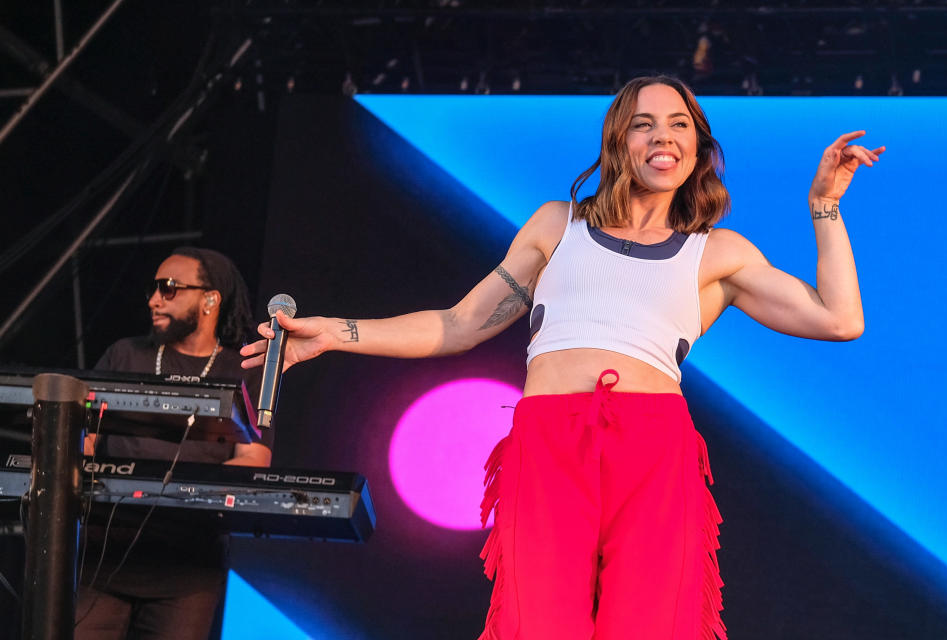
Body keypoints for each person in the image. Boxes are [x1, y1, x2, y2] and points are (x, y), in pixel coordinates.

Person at [240, 76, 882, 640]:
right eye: (644, 124)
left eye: (679, 124)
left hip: (653, 449)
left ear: (698, 147)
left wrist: (824, 206)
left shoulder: (717, 254)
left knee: (650, 627)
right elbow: (456, 324)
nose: (664, 136)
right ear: (618, 142)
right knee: (538, 624)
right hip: (549, 444)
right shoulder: (557, 227)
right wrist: (333, 334)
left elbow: (840, 319)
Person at [77, 247, 273, 640]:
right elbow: (83, 438)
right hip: (103, 558)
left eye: (168, 288)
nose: (153, 300)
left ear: (210, 299)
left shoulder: (244, 368)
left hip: (188, 569)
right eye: (153, 289)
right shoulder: (125, 354)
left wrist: (178, 492)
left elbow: (254, 458)